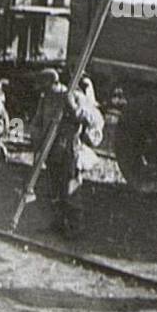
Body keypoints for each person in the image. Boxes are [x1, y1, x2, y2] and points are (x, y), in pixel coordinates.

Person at [29, 69, 105, 238]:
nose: (46, 92)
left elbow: (95, 119)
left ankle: (75, 227)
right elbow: (37, 121)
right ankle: (58, 222)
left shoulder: (73, 96)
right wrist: (37, 136)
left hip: (70, 150)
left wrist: (75, 109)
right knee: (54, 188)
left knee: (71, 189)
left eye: (47, 88)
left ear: (53, 84)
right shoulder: (45, 98)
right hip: (52, 149)